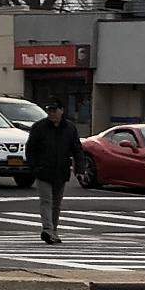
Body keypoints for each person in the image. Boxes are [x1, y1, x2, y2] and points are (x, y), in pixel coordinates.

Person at [26, 96, 85, 245]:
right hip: (43, 171)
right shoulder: (39, 127)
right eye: (49, 110)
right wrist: (34, 167)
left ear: (61, 111)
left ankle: (53, 230)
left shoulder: (70, 128)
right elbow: (30, 148)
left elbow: (77, 149)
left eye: (54, 110)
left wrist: (80, 168)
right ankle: (47, 229)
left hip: (61, 171)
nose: (51, 113)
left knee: (56, 204)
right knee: (46, 200)